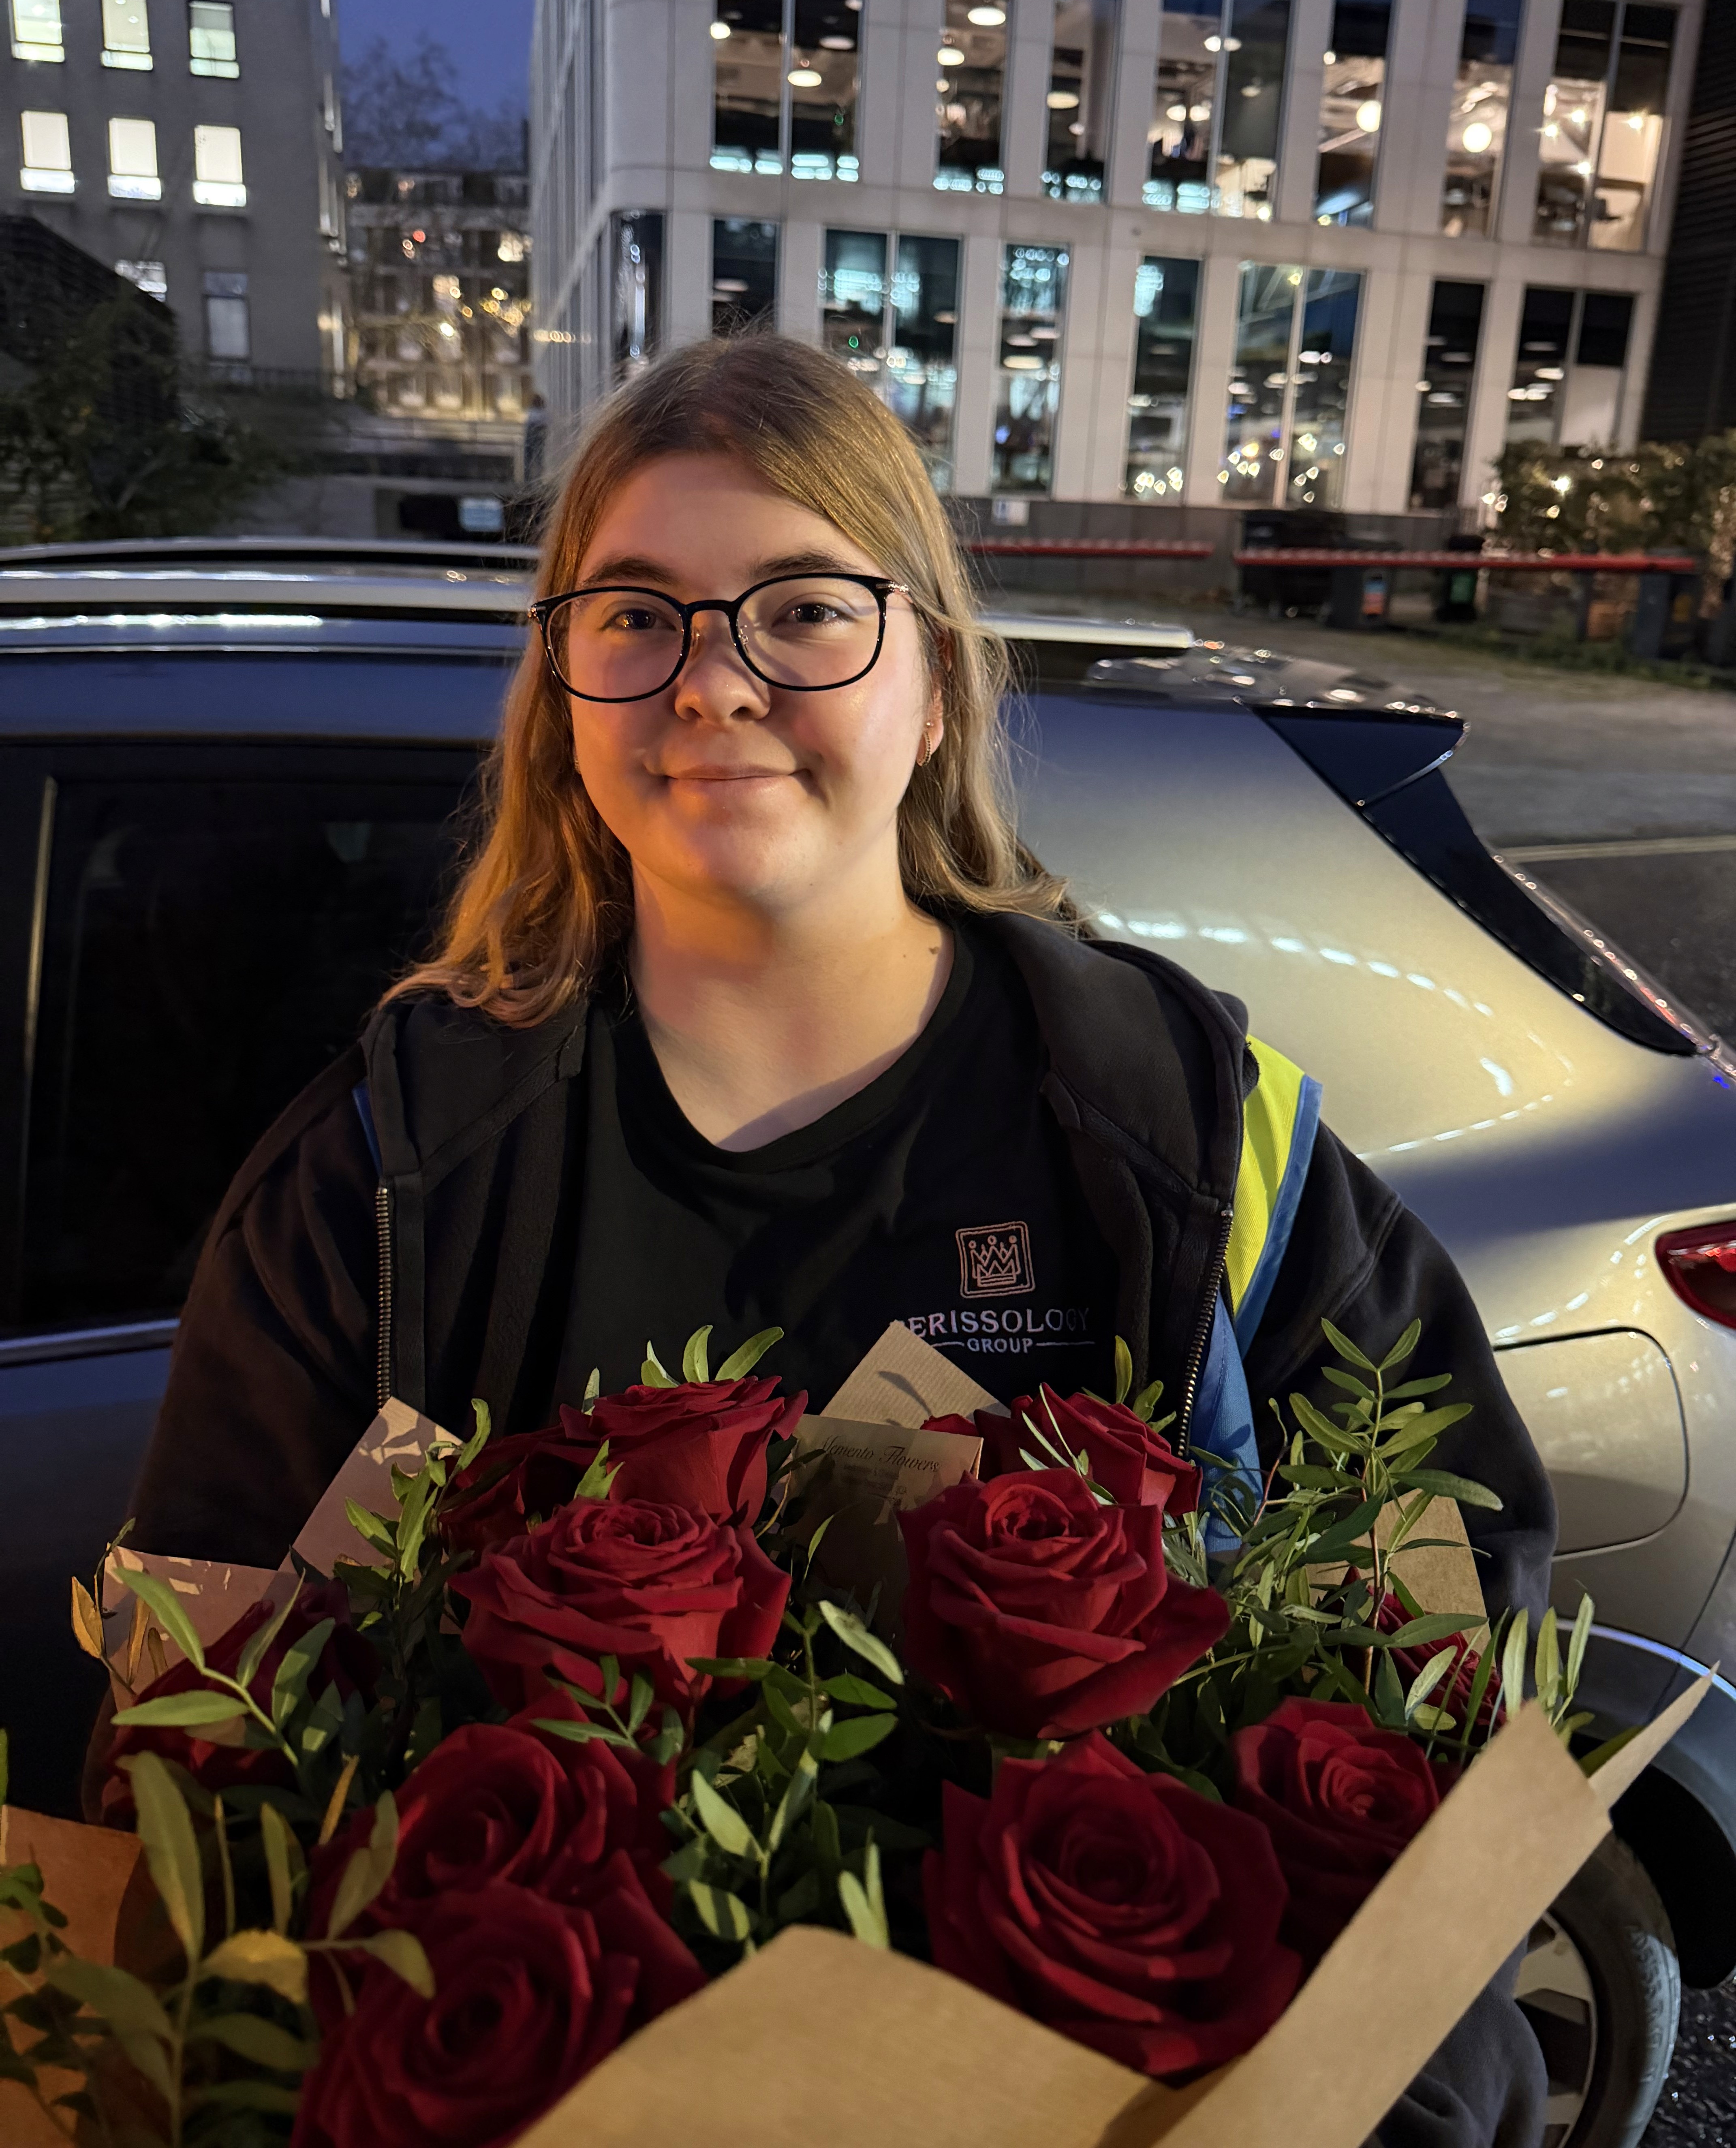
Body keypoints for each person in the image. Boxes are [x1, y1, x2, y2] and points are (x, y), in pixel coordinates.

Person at [120, 334, 1554, 2144]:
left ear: (934, 684)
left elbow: (1441, 1614)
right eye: (636, 616)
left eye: (801, 611)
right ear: (561, 691)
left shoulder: (1187, 1131)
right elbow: (196, 1742)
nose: (711, 683)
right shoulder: (382, 1182)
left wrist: (1377, 2072)